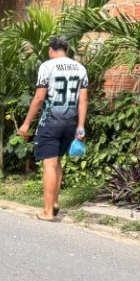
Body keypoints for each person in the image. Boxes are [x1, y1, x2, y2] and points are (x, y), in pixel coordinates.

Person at [18, 35, 88, 222]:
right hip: (70, 124)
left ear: (51, 50)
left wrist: (26, 123)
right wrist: (80, 126)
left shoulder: (47, 67)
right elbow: (83, 100)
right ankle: (54, 202)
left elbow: (39, 98)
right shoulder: (80, 68)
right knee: (56, 162)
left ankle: (48, 211)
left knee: (49, 165)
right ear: (66, 50)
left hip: (50, 122)